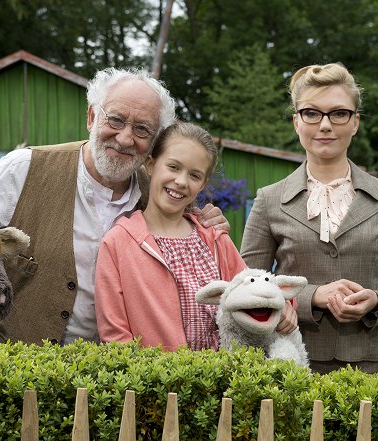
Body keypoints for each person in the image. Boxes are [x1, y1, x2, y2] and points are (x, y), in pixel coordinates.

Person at [0, 68, 229, 346]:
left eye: (141, 129)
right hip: (11, 368)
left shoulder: (158, 192)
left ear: (153, 142)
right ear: (91, 116)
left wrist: (210, 224)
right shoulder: (24, 168)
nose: (125, 138)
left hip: (106, 379)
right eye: (115, 120)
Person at [240, 63, 378, 374]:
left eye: (339, 113)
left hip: (374, 373)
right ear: (296, 122)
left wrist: (377, 301)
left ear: (355, 122)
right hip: (292, 366)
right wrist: (312, 296)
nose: (325, 125)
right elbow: (245, 289)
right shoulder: (269, 200)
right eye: (312, 113)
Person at [95, 121, 298, 351]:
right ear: (150, 165)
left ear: (203, 184)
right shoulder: (118, 243)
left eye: (194, 175)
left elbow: (254, 289)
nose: (181, 181)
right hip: (158, 384)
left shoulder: (215, 239)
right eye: (173, 167)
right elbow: (115, 334)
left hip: (223, 380)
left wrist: (285, 305)